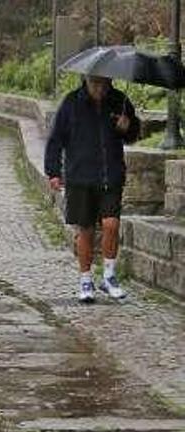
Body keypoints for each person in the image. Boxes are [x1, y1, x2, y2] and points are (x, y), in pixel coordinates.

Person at [45, 74, 140, 303]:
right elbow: (56, 139)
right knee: (85, 230)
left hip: (111, 175)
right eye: (95, 83)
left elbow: (133, 133)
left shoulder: (120, 100)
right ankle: (85, 279)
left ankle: (108, 276)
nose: (100, 88)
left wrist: (127, 127)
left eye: (104, 83)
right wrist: (54, 172)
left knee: (111, 224)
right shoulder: (71, 103)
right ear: (85, 80)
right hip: (80, 177)